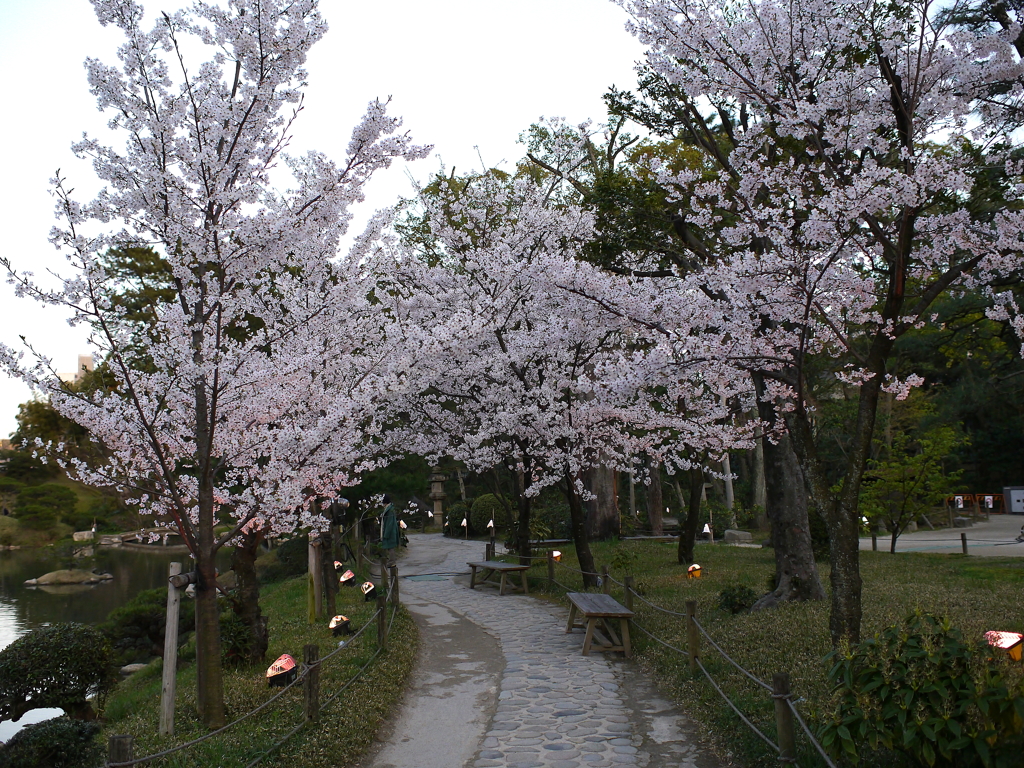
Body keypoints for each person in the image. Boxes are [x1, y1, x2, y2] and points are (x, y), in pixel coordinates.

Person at [379, 494, 400, 565]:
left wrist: (386, 533)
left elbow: (389, 523)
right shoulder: (390, 509)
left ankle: (392, 561)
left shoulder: (390, 510)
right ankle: (391, 561)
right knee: (390, 547)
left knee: (390, 547)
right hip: (390, 531)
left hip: (390, 532)